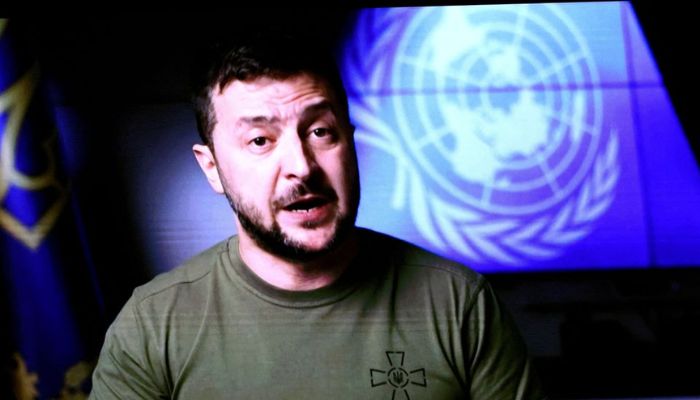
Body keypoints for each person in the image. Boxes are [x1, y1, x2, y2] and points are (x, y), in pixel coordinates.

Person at [89, 32, 546, 399]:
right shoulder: (153, 326)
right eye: (260, 141)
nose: (302, 166)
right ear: (212, 168)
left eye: (320, 131)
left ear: (350, 142)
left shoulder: (458, 304)